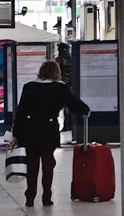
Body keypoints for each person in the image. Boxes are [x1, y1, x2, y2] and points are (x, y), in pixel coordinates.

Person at [12, 60, 91, 207]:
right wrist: (86, 110)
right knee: (48, 165)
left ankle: (30, 197)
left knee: (32, 165)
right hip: (49, 130)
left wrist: (16, 133)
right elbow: (73, 103)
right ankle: (46, 197)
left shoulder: (29, 87)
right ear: (56, 72)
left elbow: (21, 112)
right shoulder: (60, 88)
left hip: (30, 129)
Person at [55, 43, 73, 132]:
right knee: (70, 106)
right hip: (72, 86)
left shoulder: (58, 60)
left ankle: (67, 125)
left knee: (64, 107)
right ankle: (71, 124)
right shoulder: (72, 59)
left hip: (62, 86)